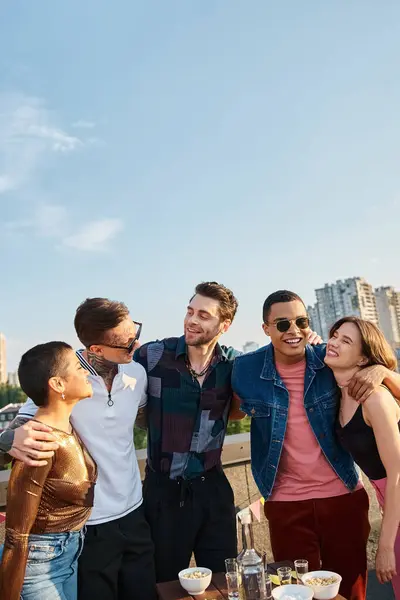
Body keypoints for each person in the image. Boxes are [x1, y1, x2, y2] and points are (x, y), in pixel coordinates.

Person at [232, 290, 400, 600]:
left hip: (343, 498)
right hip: (285, 504)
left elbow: (378, 380)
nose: (293, 331)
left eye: (301, 321)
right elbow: (229, 409)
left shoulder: (328, 360)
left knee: (350, 592)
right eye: (282, 324)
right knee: (295, 593)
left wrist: (385, 371)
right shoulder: (245, 369)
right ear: (265, 329)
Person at [0, 298, 156, 600]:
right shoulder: (67, 383)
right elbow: (19, 429)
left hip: (136, 512)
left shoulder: (137, 374)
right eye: (127, 345)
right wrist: (8, 440)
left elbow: (147, 421)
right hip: (90, 527)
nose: (137, 346)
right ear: (95, 349)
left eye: (135, 333)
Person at [133, 282, 242, 583]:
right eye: (190, 311)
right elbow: (93, 370)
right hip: (162, 492)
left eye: (204, 315)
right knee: (164, 584)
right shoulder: (153, 356)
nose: (192, 320)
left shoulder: (235, 364)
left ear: (225, 325)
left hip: (213, 490)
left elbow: (282, 365)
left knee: (224, 582)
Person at [0, 341, 97, 600]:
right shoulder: (38, 443)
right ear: (58, 384)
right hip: (37, 566)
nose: (85, 371)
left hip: (69, 552)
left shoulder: (67, 427)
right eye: (78, 367)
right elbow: (16, 536)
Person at [325, 317, 400, 598]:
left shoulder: (375, 398)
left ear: (363, 358)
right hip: (389, 503)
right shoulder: (340, 392)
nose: (334, 342)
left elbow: (397, 475)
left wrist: (385, 546)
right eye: (334, 335)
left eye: (346, 341)